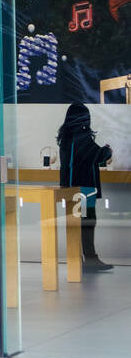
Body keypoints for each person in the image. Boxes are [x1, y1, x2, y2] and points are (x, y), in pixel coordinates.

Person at [57, 102, 114, 272]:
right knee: (88, 222)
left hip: (69, 188)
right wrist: (107, 150)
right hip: (84, 188)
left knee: (75, 224)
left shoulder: (65, 138)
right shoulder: (82, 137)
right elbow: (98, 156)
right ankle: (90, 259)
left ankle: (77, 260)